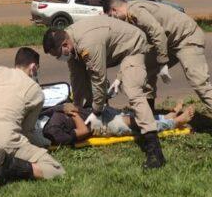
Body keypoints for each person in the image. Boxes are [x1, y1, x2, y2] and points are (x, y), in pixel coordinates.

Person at [106, 0, 212, 149]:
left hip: (186, 37)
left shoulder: (135, 11)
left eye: (112, 16)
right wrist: (119, 78)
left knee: (198, 81)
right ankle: (149, 124)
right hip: (168, 41)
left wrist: (162, 62)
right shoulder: (130, 19)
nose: (115, 20)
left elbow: (158, 33)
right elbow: (135, 52)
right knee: (145, 71)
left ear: (114, 10)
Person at [42, 16, 166, 169]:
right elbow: (77, 77)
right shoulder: (70, 41)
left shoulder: (88, 43)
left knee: (132, 90)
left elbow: (98, 79)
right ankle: (107, 110)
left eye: (57, 55)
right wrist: (76, 105)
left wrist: (96, 111)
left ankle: (154, 148)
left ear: (65, 44)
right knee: (87, 86)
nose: (58, 58)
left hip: (133, 47)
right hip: (113, 49)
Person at [0, 46, 65, 188]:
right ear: (33, 67)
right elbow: (27, 132)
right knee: (56, 170)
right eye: (37, 69)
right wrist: (46, 142)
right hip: (2, 143)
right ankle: (11, 165)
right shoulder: (36, 91)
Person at [42, 102, 193, 147]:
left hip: (98, 111)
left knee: (135, 116)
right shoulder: (53, 133)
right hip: (98, 124)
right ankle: (175, 122)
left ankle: (166, 116)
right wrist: (73, 113)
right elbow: (84, 131)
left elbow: (59, 107)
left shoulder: (42, 115)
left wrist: (64, 107)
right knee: (133, 123)